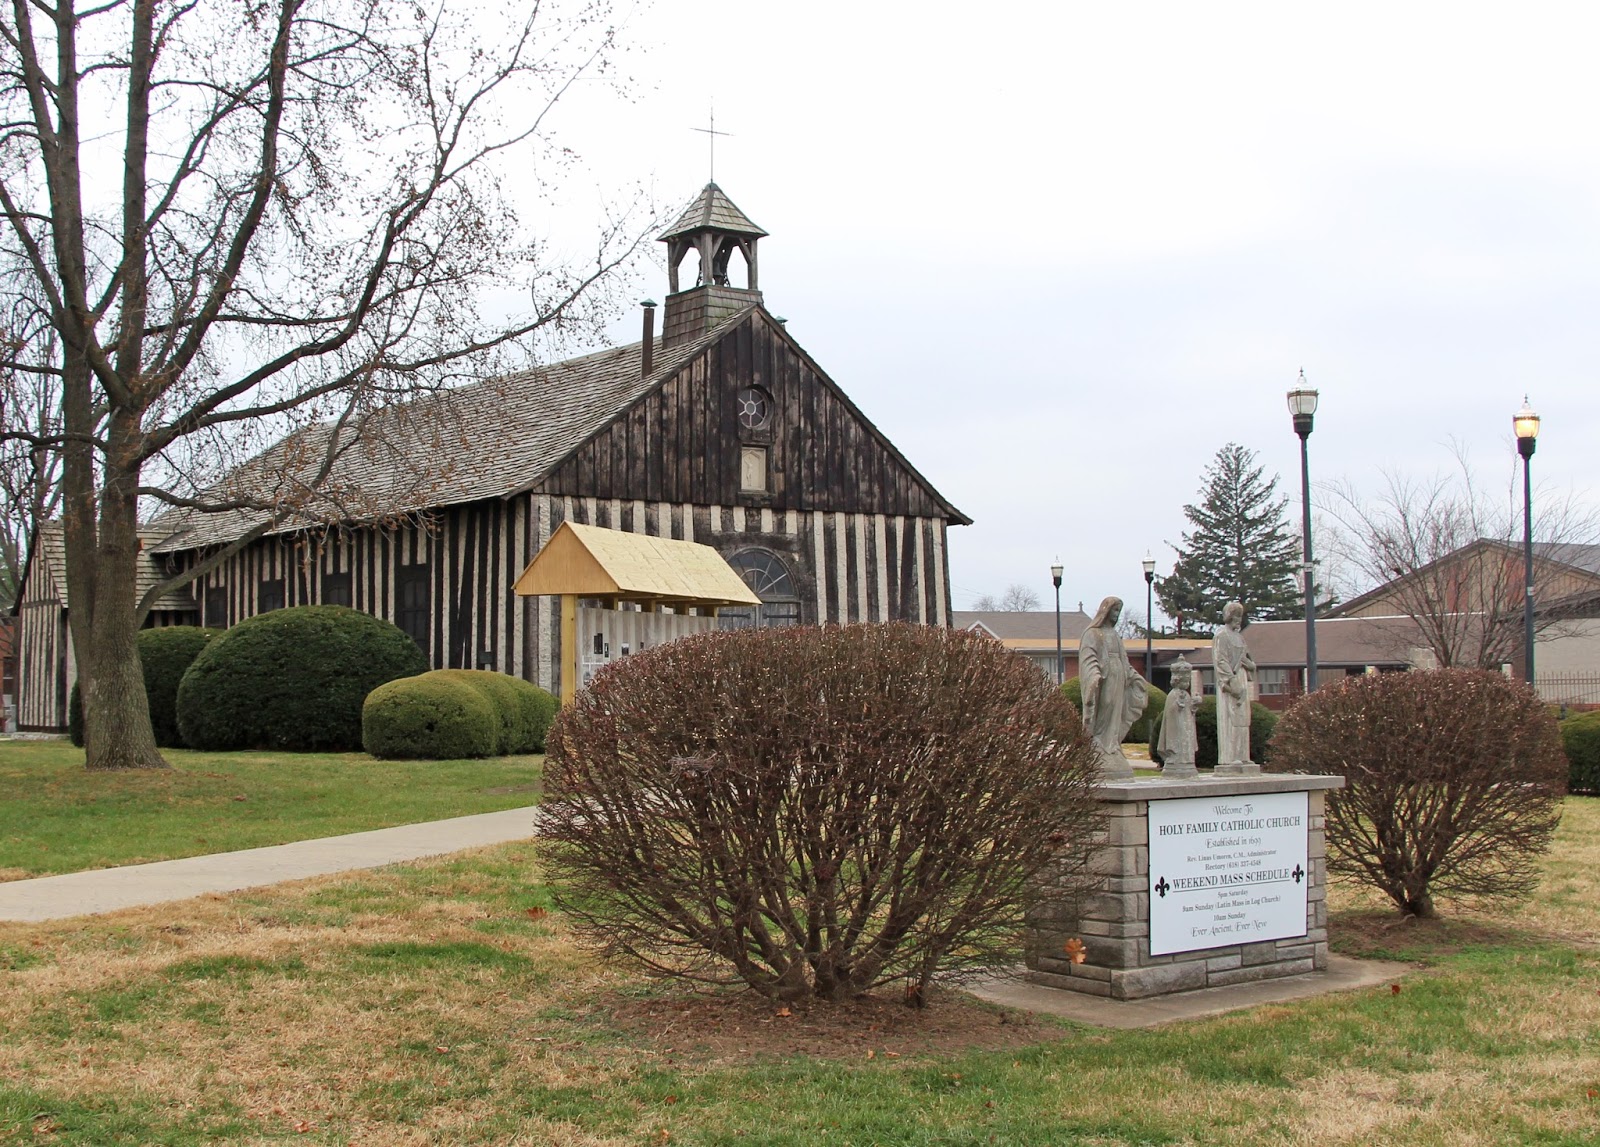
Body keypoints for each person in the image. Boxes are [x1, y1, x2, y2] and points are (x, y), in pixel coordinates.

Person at [1078, 595, 1149, 778]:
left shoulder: (1115, 635)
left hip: (1120, 677)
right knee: (1105, 708)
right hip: (1105, 678)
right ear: (1106, 611)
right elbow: (1088, 657)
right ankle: (1100, 743)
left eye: (1119, 611)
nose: (1116, 615)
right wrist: (1094, 676)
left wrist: (1134, 676)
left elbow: (1124, 659)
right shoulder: (1092, 633)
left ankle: (1113, 745)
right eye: (1115, 610)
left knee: (1117, 711)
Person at [1212, 600, 1257, 772]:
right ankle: (1231, 757)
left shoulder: (1240, 637)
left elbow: (1246, 657)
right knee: (1231, 719)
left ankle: (1243, 755)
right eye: (1235, 615)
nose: (1238, 619)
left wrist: (1251, 665)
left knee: (1243, 720)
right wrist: (1230, 681)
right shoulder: (1221, 635)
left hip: (1242, 677)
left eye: (1240, 615)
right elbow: (1220, 659)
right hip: (1230, 682)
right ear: (1228, 616)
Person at [1156, 655, 1198, 777]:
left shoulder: (1187, 694)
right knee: (1178, 742)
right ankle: (1174, 758)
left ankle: (1188, 761)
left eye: (1188, 680)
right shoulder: (1172, 695)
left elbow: (1190, 712)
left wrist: (1194, 705)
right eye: (1184, 680)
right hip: (1176, 727)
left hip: (1186, 726)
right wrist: (1178, 705)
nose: (1187, 683)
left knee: (1186, 742)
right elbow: (1170, 712)